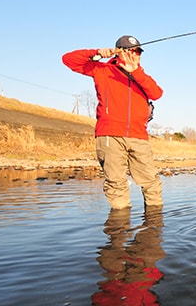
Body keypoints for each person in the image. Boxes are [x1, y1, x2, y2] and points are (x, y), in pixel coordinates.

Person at [63, 36, 164, 209]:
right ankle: (119, 230)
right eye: (130, 51)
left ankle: (154, 229)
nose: (135, 55)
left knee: (151, 182)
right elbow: (68, 60)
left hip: (139, 136)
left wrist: (136, 72)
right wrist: (97, 53)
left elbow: (156, 94)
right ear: (119, 52)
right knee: (116, 183)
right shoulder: (101, 69)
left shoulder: (142, 76)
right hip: (109, 136)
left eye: (138, 52)